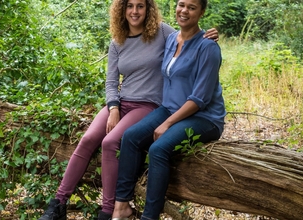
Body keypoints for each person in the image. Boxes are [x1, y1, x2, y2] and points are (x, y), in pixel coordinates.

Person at [38, 0, 219, 219]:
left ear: (148, 9)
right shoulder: (118, 42)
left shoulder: (163, 33)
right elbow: (111, 81)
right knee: (87, 140)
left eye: (140, 6)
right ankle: (58, 203)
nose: (135, 11)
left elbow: (190, 35)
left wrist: (209, 35)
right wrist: (113, 107)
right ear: (121, 10)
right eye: (130, 6)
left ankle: (108, 210)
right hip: (122, 102)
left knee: (110, 142)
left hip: (148, 104)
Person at [111, 0, 226, 219]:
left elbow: (200, 98)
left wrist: (168, 123)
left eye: (192, 7)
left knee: (158, 149)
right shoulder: (172, 38)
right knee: (131, 137)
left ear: (201, 12)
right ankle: (121, 207)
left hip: (204, 116)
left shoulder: (208, 47)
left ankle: (150, 216)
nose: (184, 11)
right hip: (171, 108)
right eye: (181, 4)